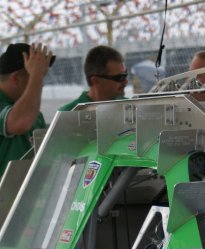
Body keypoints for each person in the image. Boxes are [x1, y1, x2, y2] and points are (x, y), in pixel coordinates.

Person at [0, 42, 55, 178]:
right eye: (37, 77)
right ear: (16, 79)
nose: (41, 83)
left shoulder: (34, 114)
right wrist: (37, 75)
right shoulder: (24, 114)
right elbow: (20, 123)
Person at [59, 45, 128, 111]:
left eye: (125, 75)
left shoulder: (128, 107)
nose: (126, 81)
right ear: (96, 81)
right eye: (120, 77)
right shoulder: (69, 114)